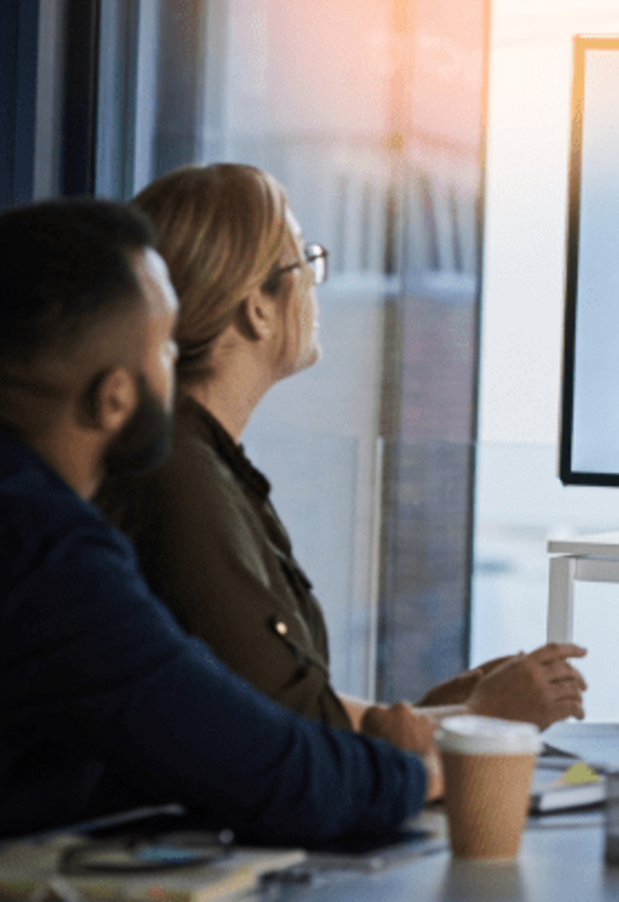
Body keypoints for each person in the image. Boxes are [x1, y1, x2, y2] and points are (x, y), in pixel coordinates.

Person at [97, 163, 587, 745]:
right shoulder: (183, 480)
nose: (313, 279)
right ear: (257, 307)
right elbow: (285, 731)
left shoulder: (200, 463)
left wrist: (428, 714)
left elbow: (268, 699)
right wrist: (481, 716)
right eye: (303, 260)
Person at [0, 199, 431, 843]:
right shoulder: (45, 556)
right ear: (114, 396)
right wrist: (420, 771)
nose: (178, 368)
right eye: (165, 348)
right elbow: (278, 774)